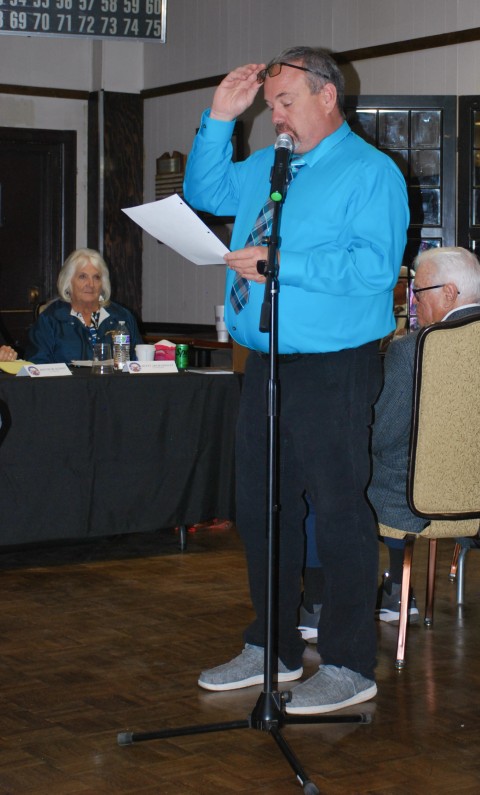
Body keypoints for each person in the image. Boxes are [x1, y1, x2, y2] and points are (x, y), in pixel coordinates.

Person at [183, 46, 409, 714]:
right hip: (265, 362)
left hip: (335, 366)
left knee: (339, 510)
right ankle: (272, 646)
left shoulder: (371, 173)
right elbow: (204, 193)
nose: (276, 115)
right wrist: (220, 119)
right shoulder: (268, 166)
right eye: (270, 104)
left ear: (326, 96)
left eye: (285, 102)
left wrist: (283, 264)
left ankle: (347, 662)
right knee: (261, 508)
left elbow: (373, 269)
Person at [369, 246, 480, 619]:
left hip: (416, 502)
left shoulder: (411, 350)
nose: (414, 303)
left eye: (419, 292)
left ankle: (387, 591)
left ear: (449, 293)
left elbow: (382, 435)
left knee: (337, 470)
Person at [25, 248, 142, 364]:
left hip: (113, 377)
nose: (90, 284)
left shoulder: (122, 317)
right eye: (82, 277)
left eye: (96, 277)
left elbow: (139, 363)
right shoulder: (50, 319)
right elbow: (36, 365)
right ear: (68, 282)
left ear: (103, 284)